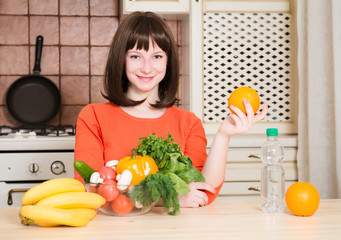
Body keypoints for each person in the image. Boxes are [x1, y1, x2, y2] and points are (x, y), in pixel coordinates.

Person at [74, 11, 268, 208]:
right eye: (135, 56)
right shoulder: (93, 117)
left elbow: (204, 192)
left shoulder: (188, 122)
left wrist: (224, 134)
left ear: (168, 61)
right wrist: (169, 198)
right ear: (121, 60)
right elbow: (90, 188)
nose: (147, 68)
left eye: (156, 56)